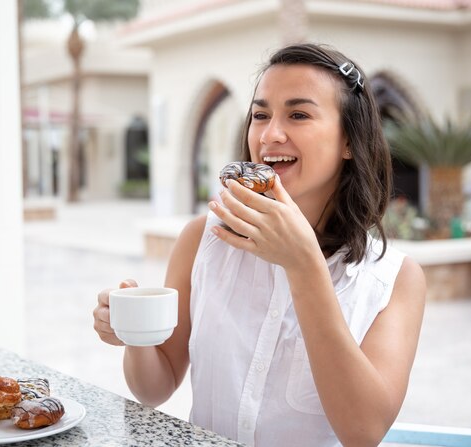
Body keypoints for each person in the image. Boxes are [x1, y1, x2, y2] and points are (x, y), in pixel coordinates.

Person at [93, 43, 426, 447]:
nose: (270, 135)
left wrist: (304, 266)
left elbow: (363, 432)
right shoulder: (203, 240)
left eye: (299, 115)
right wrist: (135, 334)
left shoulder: (395, 278)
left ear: (350, 142)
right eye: (260, 115)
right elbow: (154, 388)